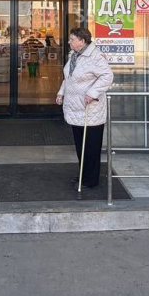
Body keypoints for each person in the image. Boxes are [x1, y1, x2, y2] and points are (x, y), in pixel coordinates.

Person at [57, 26, 114, 189]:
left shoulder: (95, 56)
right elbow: (68, 78)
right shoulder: (75, 55)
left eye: (72, 39)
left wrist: (92, 92)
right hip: (75, 108)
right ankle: (83, 174)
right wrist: (61, 92)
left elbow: (107, 76)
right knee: (80, 146)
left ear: (82, 41)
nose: (69, 42)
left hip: (90, 109)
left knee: (91, 147)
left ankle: (91, 179)